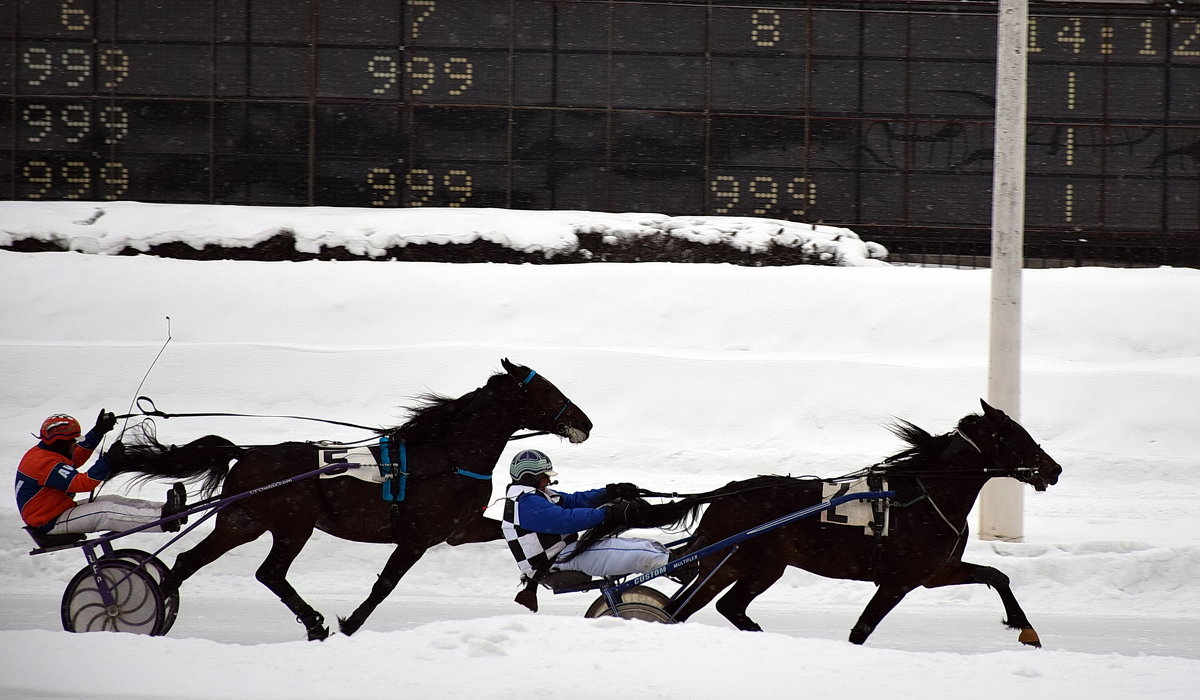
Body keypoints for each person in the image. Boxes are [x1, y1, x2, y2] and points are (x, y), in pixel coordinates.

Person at [501, 448, 669, 587]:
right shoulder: (525, 503)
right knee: (643, 555)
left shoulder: (534, 495)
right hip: (554, 561)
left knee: (649, 546)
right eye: (545, 477)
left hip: (563, 553)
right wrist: (607, 513)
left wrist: (610, 492)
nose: (549, 480)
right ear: (529, 477)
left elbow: (575, 501)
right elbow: (565, 520)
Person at [15, 411, 188, 538]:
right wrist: (108, 461)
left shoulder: (49, 452)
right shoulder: (45, 463)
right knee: (105, 512)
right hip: (50, 522)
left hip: (60, 509)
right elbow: (83, 483)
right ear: (59, 442)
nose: (75, 444)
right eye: (73, 441)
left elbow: (78, 455)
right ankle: (164, 519)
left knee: (113, 499)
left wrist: (98, 431)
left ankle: (167, 509)